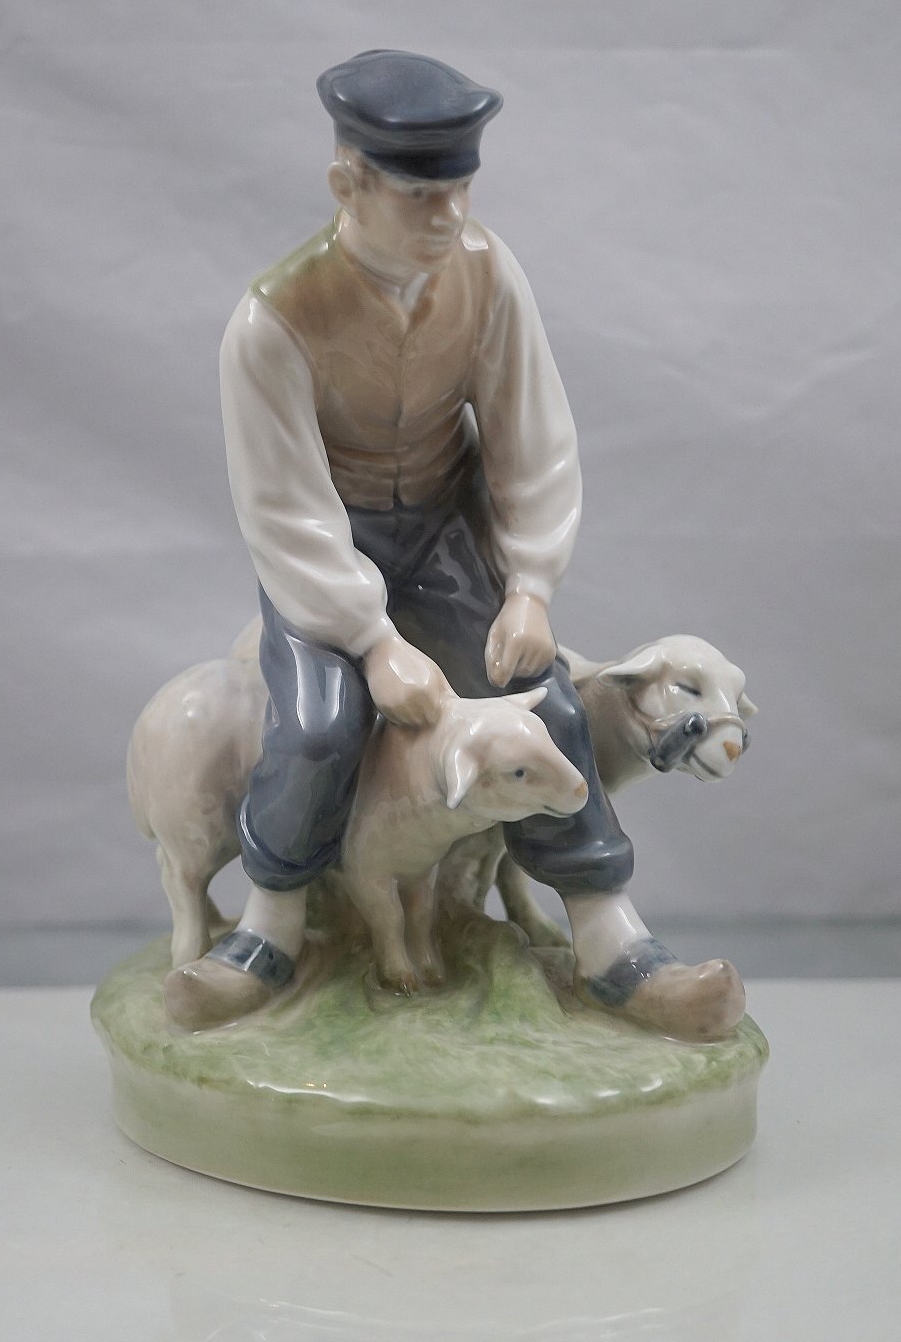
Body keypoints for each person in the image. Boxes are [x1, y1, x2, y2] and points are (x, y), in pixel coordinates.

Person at [164, 51, 744, 1040]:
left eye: (461, 190)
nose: (450, 215)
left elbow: (530, 435)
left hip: (443, 533)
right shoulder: (273, 322)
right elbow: (283, 507)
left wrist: (528, 586)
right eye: (421, 195)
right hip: (325, 557)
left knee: (544, 699)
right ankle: (268, 931)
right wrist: (372, 641)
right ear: (348, 184)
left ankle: (612, 944)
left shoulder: (486, 271)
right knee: (318, 727)